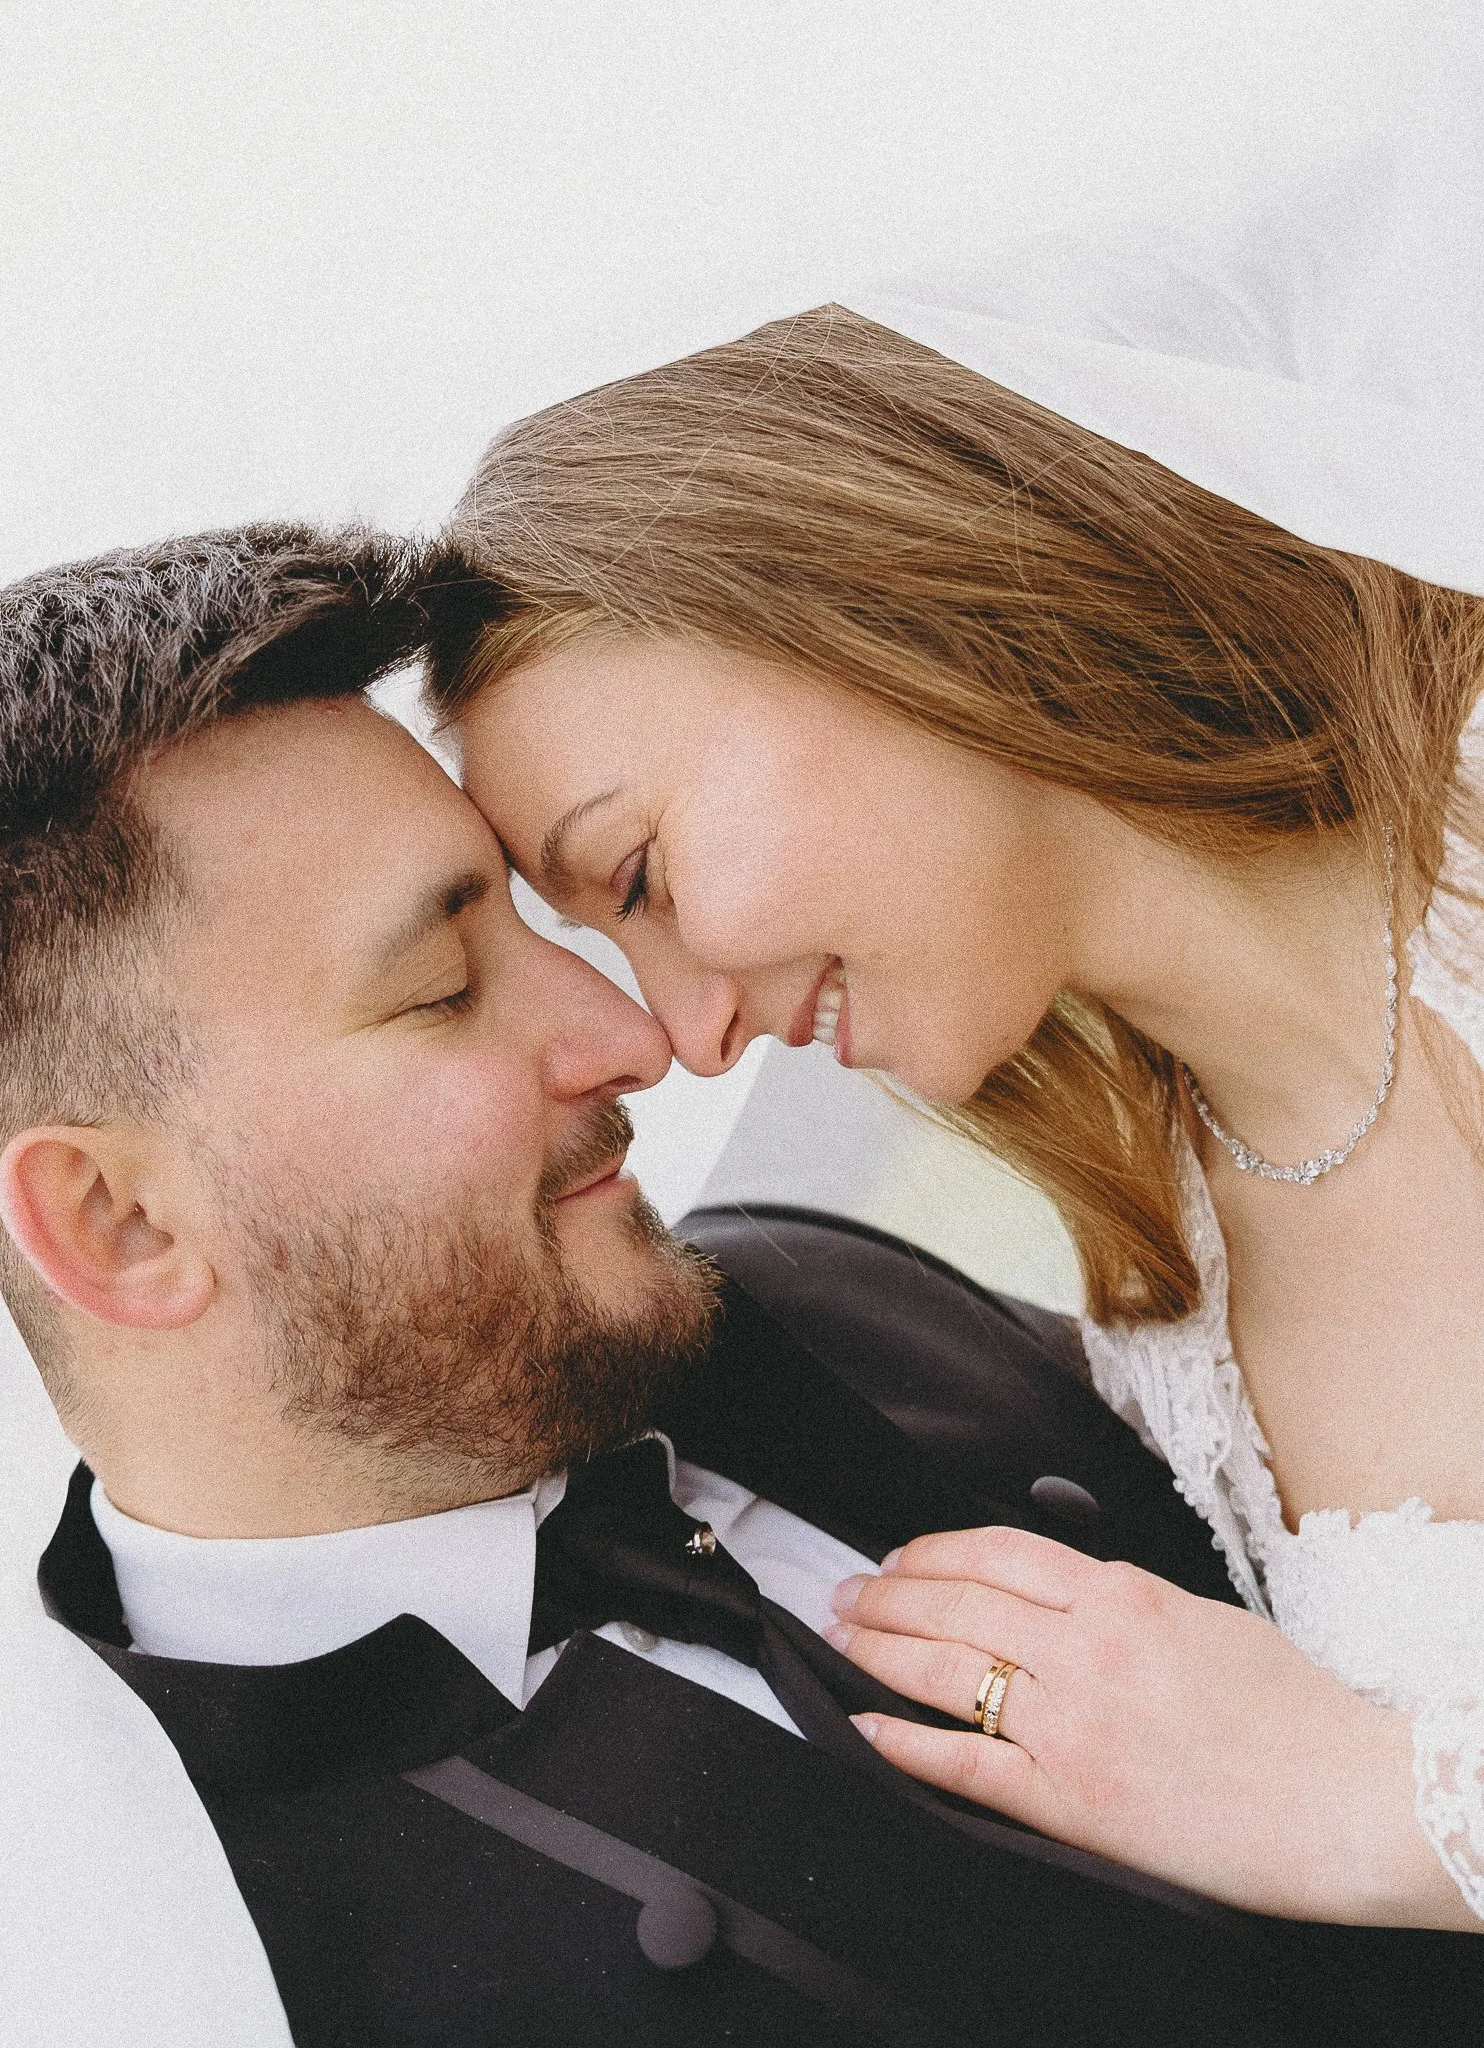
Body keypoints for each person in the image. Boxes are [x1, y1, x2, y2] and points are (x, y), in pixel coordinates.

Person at [0, 523, 1373, 2047]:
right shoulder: (199, 1958)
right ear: (117, 1225)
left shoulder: (812, 1281)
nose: (635, 1036)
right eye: (441, 991)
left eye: (536, 922)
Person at [422, 300, 1484, 1940]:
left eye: (638, 879)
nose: (689, 1031)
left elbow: (1355, 1800)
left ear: (852, 593)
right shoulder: (1161, 1262)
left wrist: (1382, 1810)